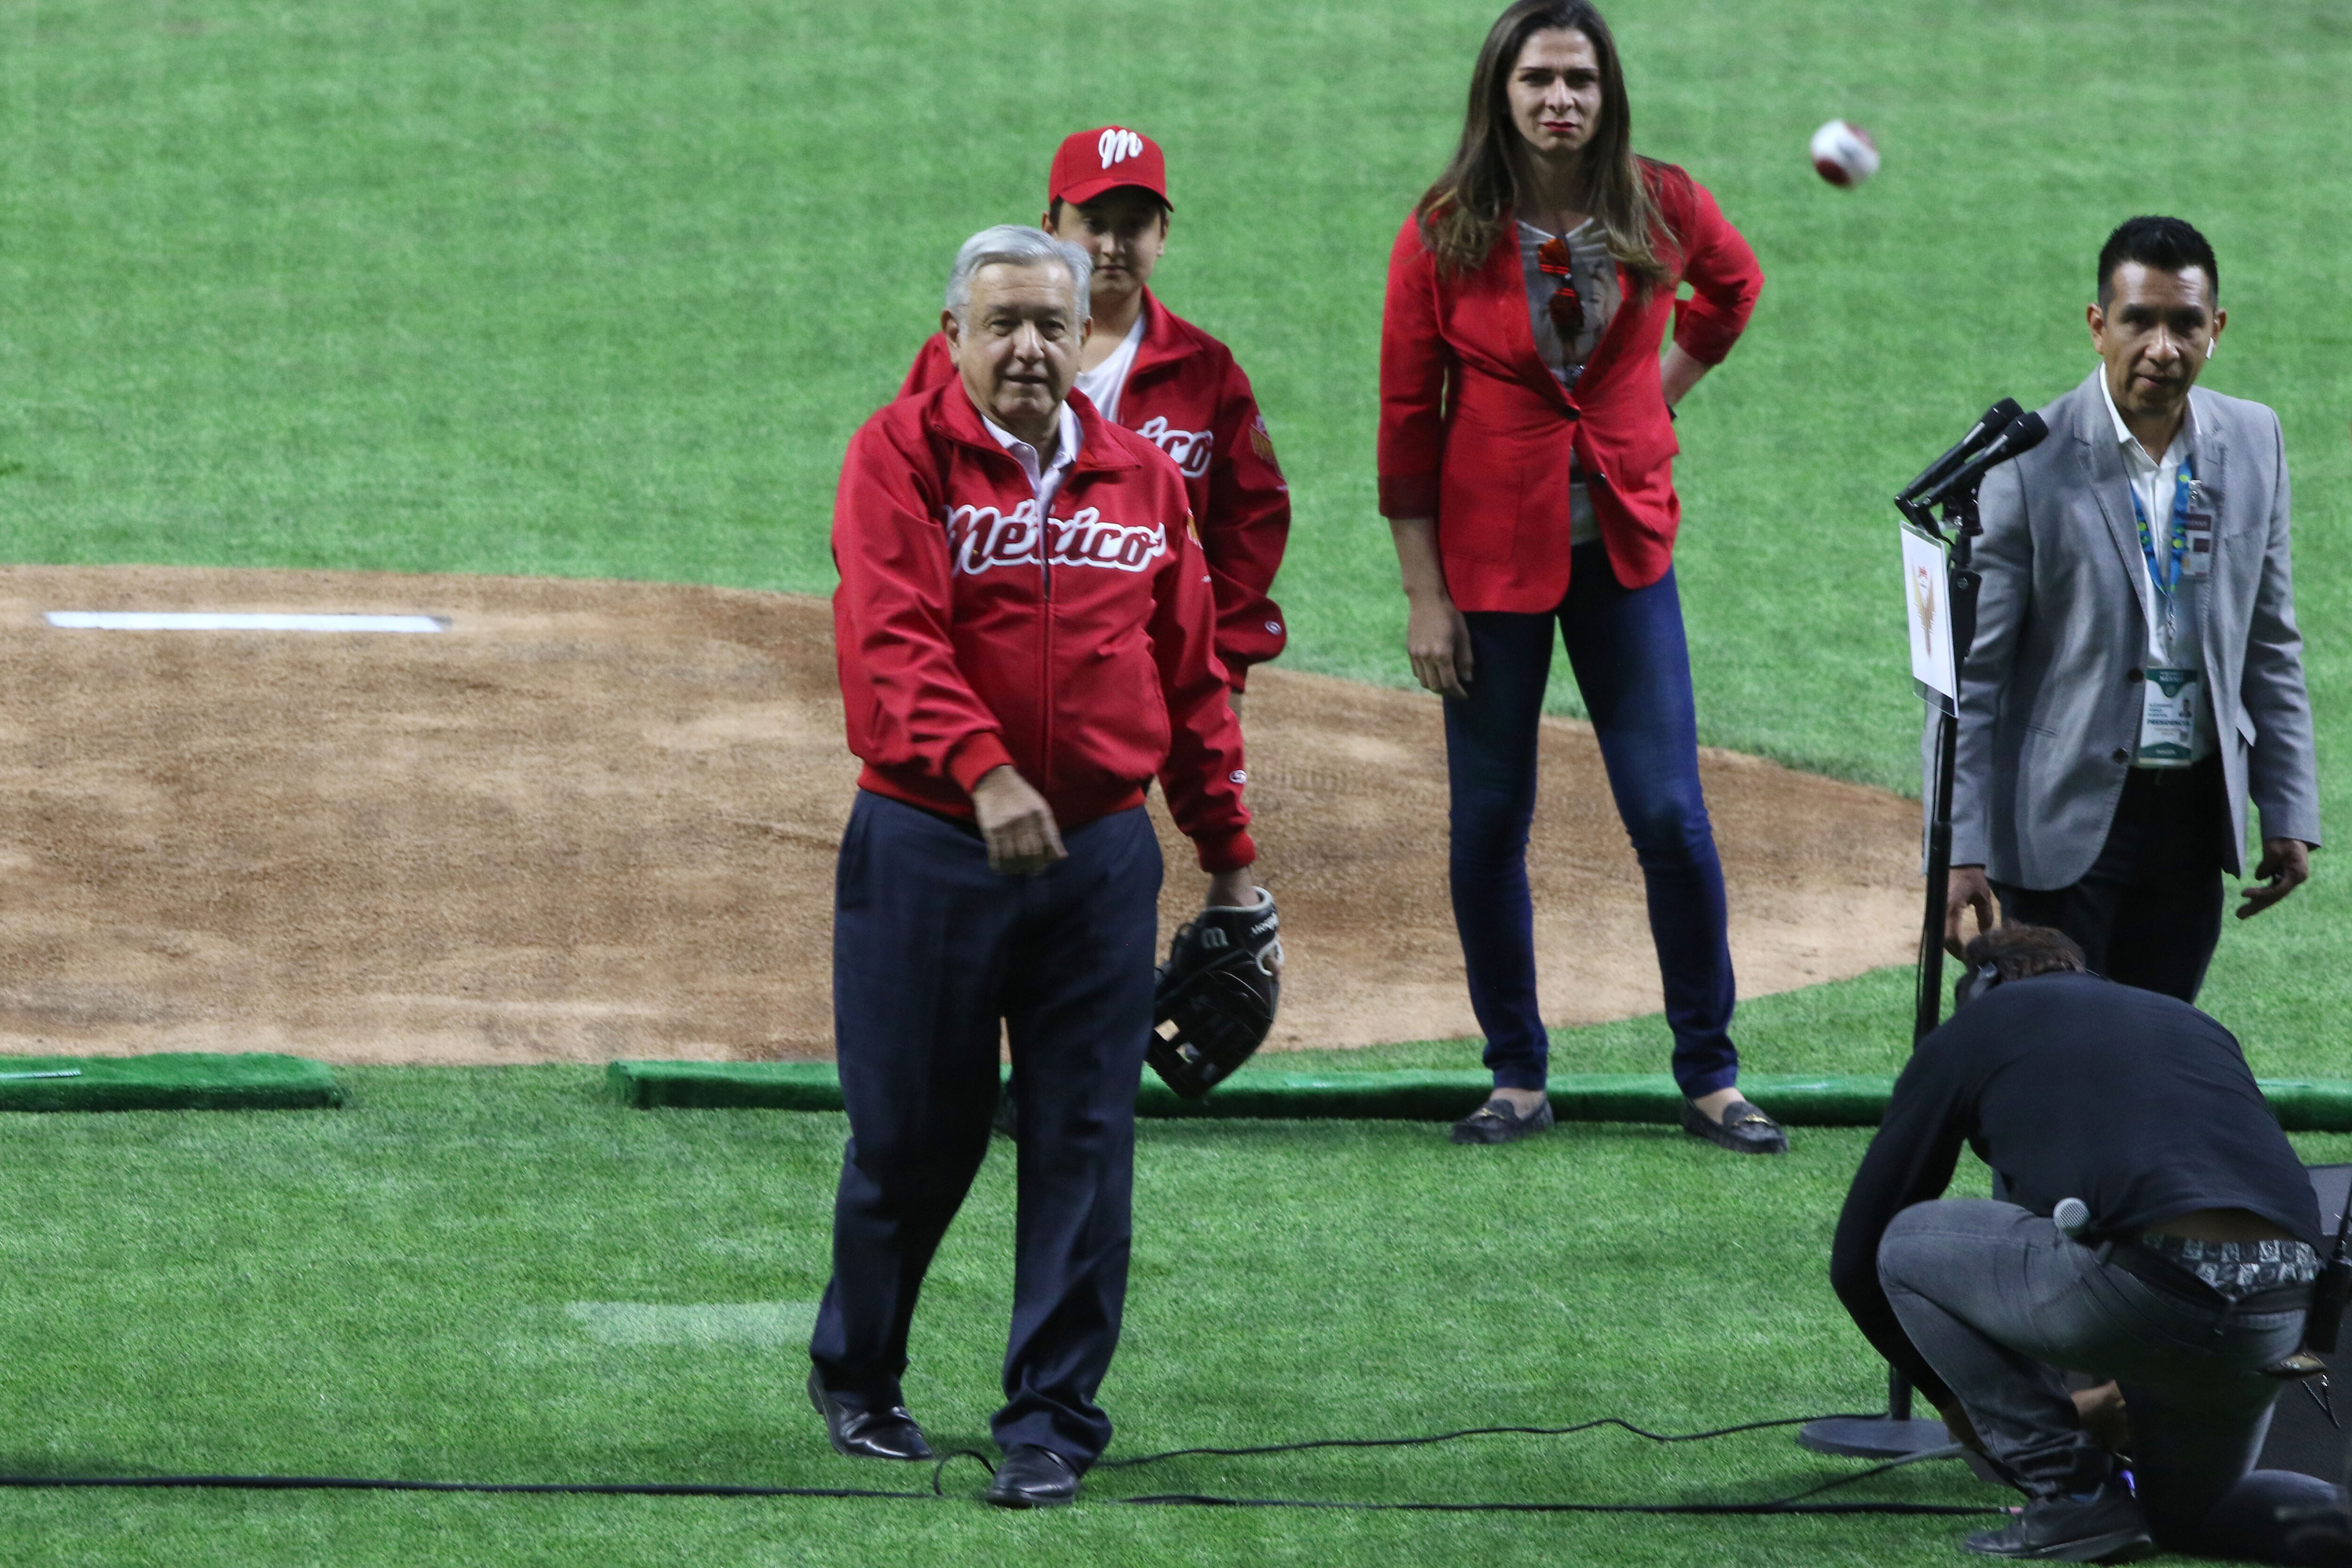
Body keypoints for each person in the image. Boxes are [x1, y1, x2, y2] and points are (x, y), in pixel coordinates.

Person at [811, 224, 1264, 1509]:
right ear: (953, 332)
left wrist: (1230, 861)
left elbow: (1195, 678)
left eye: (1050, 325)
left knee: (1084, 1135)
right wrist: (985, 771)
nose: (1026, 346)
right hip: (928, 848)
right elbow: (893, 637)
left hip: (1099, 864)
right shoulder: (893, 457)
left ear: (1084, 339)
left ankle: (1052, 1418)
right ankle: (858, 1376)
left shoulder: (1142, 480)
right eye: (1001, 321)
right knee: (913, 1132)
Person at [1376, 0, 1774, 1151]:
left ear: (1607, 96)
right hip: (1485, 570)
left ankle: (1709, 1074)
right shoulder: (1445, 229)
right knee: (1489, 824)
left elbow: (1732, 292)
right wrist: (1423, 593)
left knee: (1670, 816)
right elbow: (1408, 417)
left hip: (1626, 555)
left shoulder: (1664, 202)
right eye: (1539, 79)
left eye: (1580, 82)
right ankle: (1516, 1075)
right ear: (1500, 94)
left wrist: (1653, 397)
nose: (1560, 100)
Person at [1832, 923, 2343, 1563]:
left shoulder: (1979, 1024)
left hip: (2145, 1294)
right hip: (2281, 1311)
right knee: (2197, 1517)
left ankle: (2070, 1492)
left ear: (1984, 985)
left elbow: (1858, 1255)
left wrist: (1956, 1403)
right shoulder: (2187, 1021)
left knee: (1905, 1241)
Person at [1942, 216, 2320, 1000]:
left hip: (2191, 820)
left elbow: (2270, 642)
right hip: (2060, 819)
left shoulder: (2255, 440)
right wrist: (1958, 849)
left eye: (2186, 323)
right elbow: (1972, 680)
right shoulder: (2025, 458)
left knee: (2155, 1054)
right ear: (2097, 326)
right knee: (2052, 1055)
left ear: (2215, 330)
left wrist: (2287, 807)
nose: (2162, 346)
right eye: (2138, 320)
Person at [900, 127, 1291, 709]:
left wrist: (1225, 661)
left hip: (1142, 655)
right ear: (1049, 229)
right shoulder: (960, 356)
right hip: (986, 655)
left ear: (1162, 236)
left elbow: (1247, 522)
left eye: (1134, 224)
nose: (1112, 244)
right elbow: (904, 494)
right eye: (1093, 222)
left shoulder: (1205, 372)